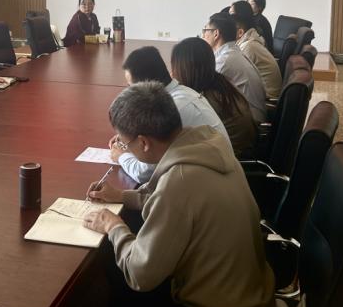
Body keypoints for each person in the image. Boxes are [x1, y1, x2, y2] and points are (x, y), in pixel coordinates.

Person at [83, 82, 276, 307]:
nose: (125, 148)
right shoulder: (207, 144)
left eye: (125, 143)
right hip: (251, 295)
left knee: (111, 278)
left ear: (143, 143)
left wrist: (113, 226)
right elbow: (174, 200)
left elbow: (139, 274)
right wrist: (121, 196)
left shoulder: (179, 180)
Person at [112, 46, 230, 183]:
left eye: (130, 86)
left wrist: (121, 156)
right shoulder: (184, 91)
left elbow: (145, 174)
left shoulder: (170, 109)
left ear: (144, 85)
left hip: (206, 183)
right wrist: (129, 137)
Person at [170, 37, 257, 158]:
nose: (172, 73)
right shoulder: (219, 83)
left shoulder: (204, 99)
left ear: (186, 69)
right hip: (245, 152)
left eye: (174, 67)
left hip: (234, 160)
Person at [201, 13, 267, 123]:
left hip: (250, 123)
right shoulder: (233, 53)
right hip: (250, 117)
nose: (203, 35)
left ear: (216, 33)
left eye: (205, 30)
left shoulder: (224, 61)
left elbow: (203, 93)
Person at [231, 3, 283, 99]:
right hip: (264, 93)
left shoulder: (248, 47)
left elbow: (236, 78)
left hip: (267, 98)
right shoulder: (250, 40)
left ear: (240, 32)